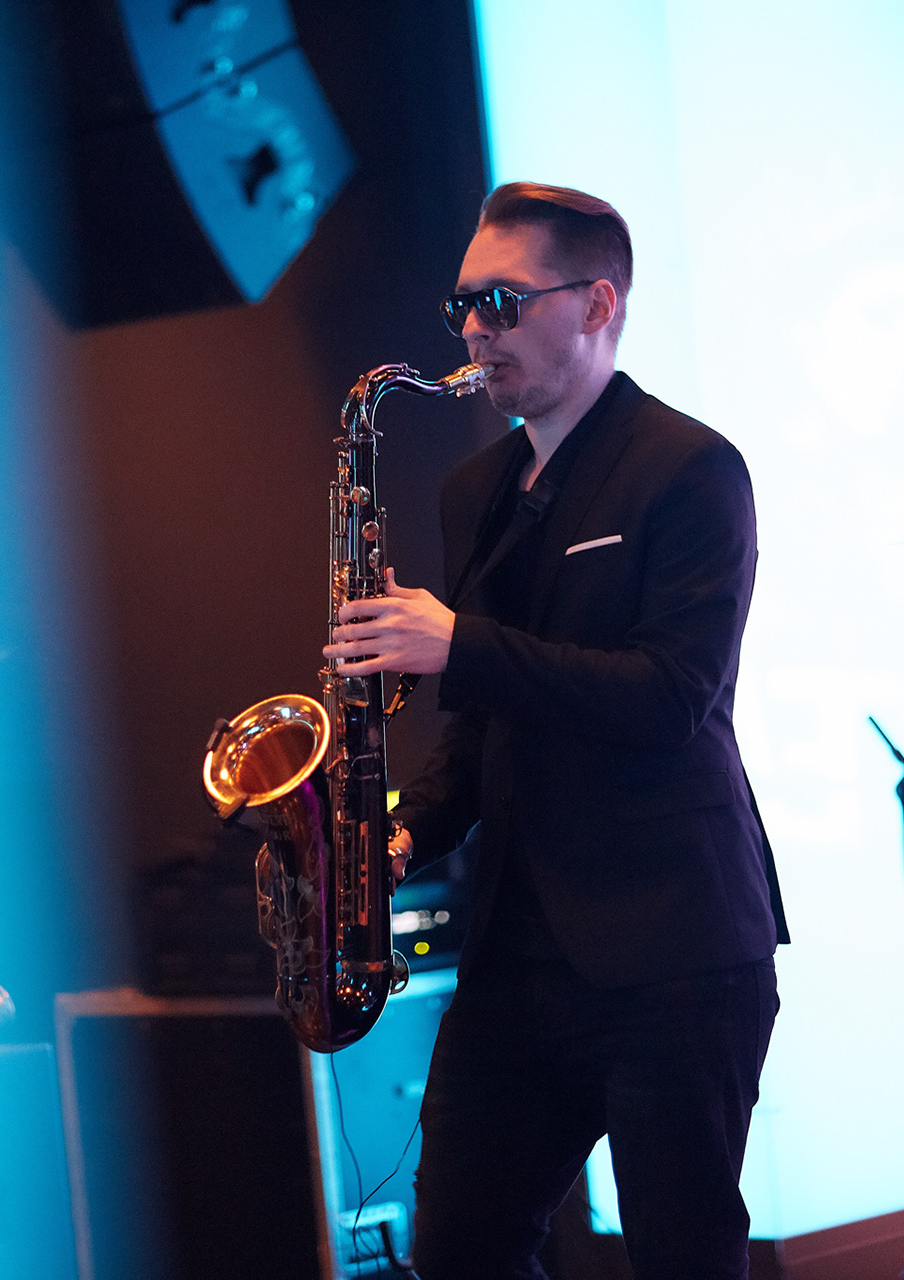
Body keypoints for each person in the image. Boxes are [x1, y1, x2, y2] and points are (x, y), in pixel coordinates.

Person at [323, 182, 788, 1280]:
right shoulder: (475, 487)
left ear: (597, 304)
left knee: (684, 1258)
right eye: (463, 307)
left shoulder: (691, 467)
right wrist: (401, 835)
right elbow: (483, 729)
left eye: (502, 301)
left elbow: (671, 695)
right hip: (519, 951)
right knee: (460, 1248)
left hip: (674, 948)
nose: (475, 331)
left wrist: (460, 644)